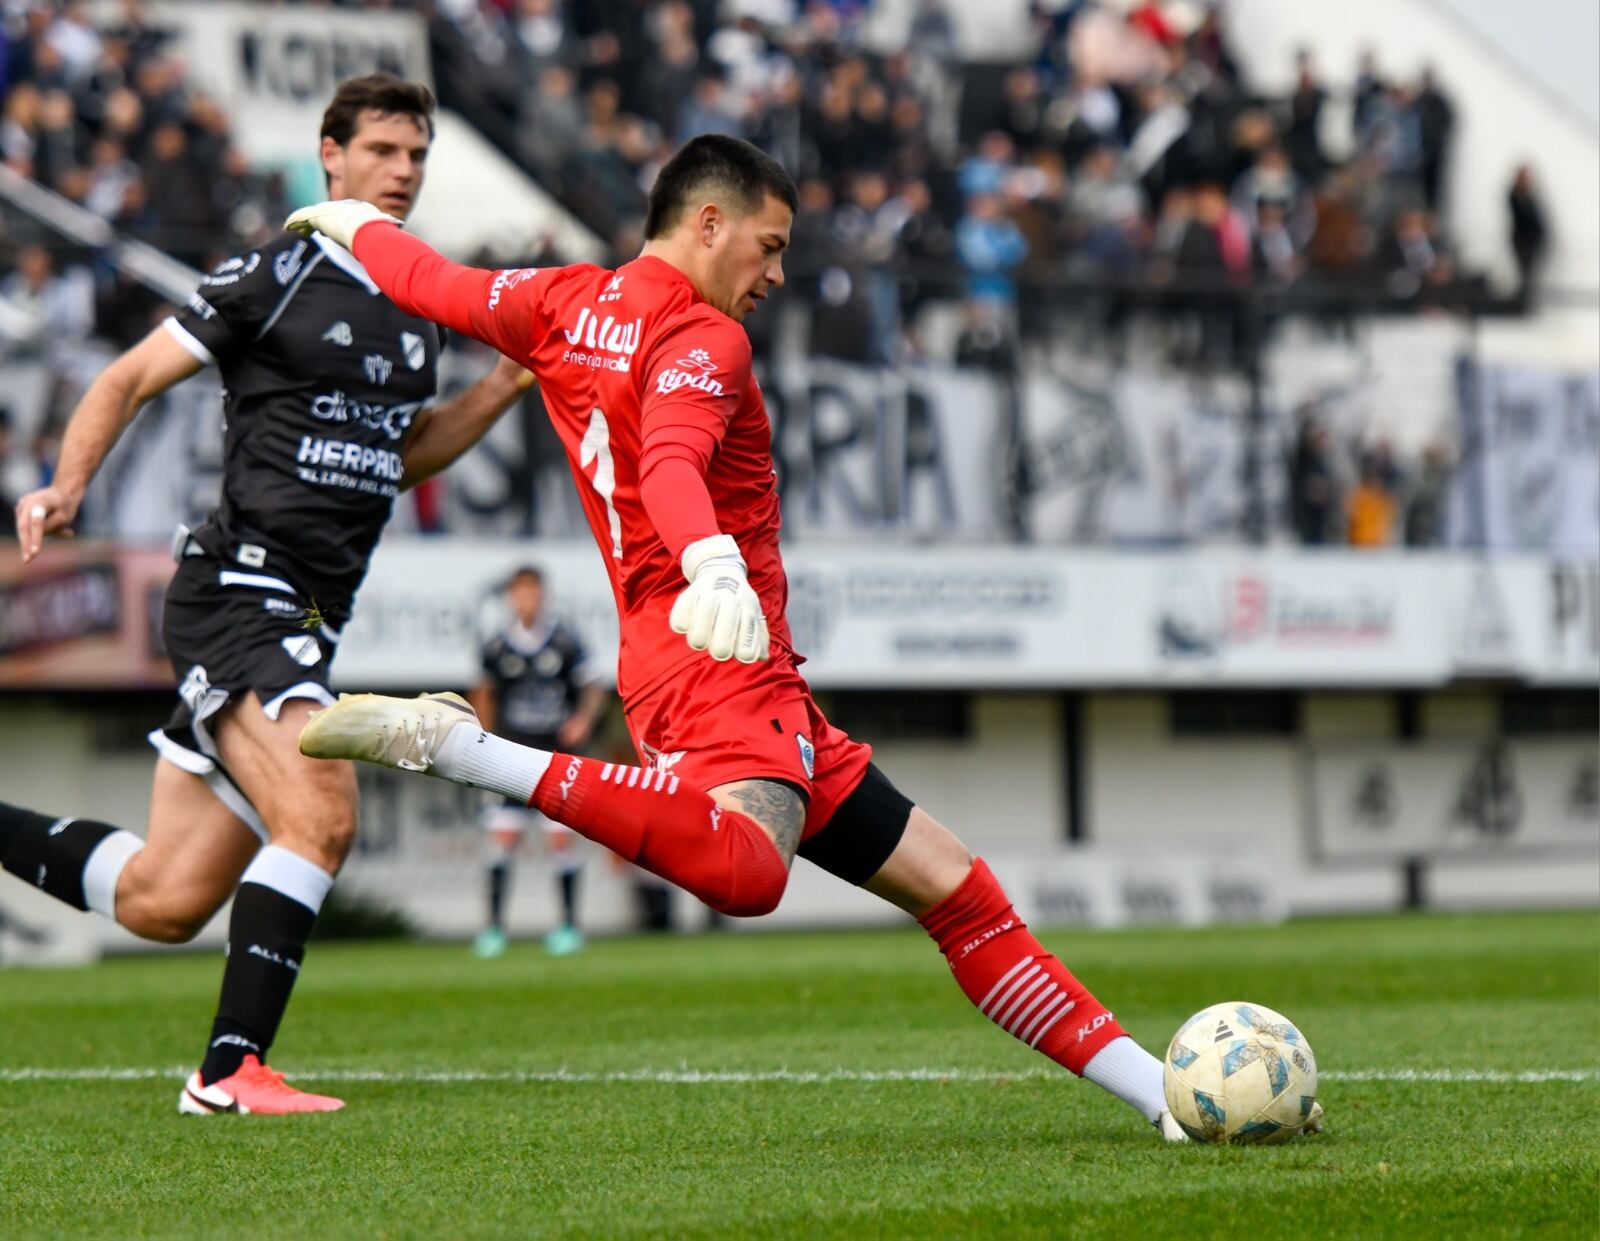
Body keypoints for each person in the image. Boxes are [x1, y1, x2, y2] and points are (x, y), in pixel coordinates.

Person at [290, 134, 1322, 1143]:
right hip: (712, 654)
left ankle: (1165, 1099)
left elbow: (428, 278)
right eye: (769, 245)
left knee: (958, 891)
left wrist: (345, 221)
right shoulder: (705, 338)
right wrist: (712, 561)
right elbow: (674, 466)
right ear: (708, 222)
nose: (777, 272)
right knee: (748, 871)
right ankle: (462, 747)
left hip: (733, 669)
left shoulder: (559, 300)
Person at [0, 74, 533, 1115]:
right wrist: (67, 486)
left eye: (417, 156)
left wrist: (507, 381)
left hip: (302, 618)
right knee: (323, 809)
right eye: (382, 150)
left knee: (164, 896)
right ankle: (228, 1070)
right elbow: (122, 379)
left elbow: (404, 451)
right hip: (240, 592)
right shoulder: (275, 272)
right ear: (329, 157)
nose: (403, 172)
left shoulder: (419, 300)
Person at [469, 565, 606, 958]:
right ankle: (494, 930)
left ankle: (568, 926)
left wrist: (582, 720)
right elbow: (484, 692)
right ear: (512, 598)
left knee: (560, 840)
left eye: (533, 593)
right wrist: (485, 738)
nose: (527, 600)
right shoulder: (497, 645)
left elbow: (592, 687)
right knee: (503, 841)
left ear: (542, 596)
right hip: (511, 754)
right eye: (521, 593)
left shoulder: (563, 641)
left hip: (556, 755)